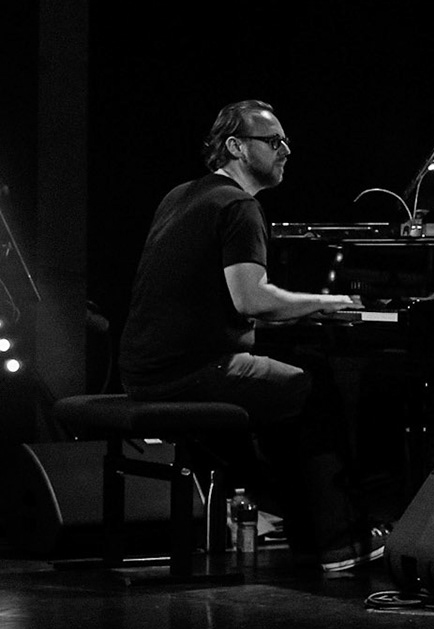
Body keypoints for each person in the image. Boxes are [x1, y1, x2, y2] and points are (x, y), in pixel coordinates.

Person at [118, 100, 384, 573]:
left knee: (288, 389)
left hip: (145, 369)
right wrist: (330, 302)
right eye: (273, 140)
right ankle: (341, 541)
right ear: (236, 147)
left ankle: (302, 529)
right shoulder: (239, 206)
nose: (285, 150)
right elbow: (251, 301)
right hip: (192, 373)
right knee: (316, 388)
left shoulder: (181, 195)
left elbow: (205, 297)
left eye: (285, 141)